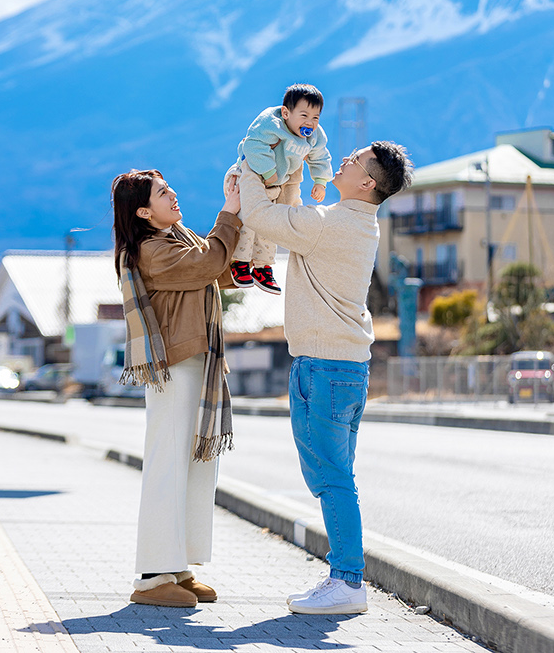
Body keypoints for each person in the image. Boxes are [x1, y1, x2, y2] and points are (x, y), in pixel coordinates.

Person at [230, 142, 412, 615]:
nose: (344, 160)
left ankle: (348, 582)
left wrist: (252, 161)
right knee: (338, 477)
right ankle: (343, 577)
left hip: (323, 368)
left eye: (353, 161)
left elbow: (258, 214)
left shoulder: (328, 225)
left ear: (368, 183)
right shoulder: (351, 223)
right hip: (345, 367)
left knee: (331, 481)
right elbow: (286, 213)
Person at [112, 169, 241, 608]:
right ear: (144, 211)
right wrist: (230, 213)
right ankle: (151, 577)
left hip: (195, 362)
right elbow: (208, 265)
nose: (174, 195)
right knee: (169, 463)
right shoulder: (151, 250)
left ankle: (177, 567)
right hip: (175, 365)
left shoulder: (176, 240)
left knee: (193, 467)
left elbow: (215, 268)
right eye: (163, 193)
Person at [230, 83, 335, 295]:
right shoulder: (271, 123)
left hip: (277, 183)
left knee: (273, 222)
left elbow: (320, 156)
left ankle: (263, 266)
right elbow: (253, 145)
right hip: (249, 177)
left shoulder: (314, 136)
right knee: (249, 219)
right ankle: (239, 261)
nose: (310, 123)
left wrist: (320, 181)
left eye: (316, 118)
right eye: (304, 115)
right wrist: (269, 173)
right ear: (286, 113)